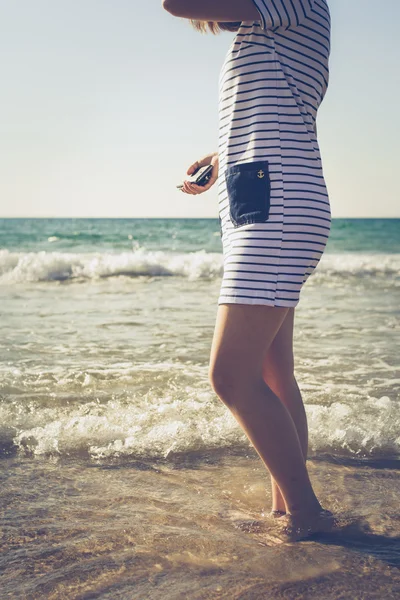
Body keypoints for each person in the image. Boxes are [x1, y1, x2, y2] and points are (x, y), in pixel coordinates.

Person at [162, 0, 335, 541]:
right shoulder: (266, 30)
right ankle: (289, 509)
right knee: (270, 373)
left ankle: (307, 515)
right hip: (264, 201)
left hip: (277, 207)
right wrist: (219, 158)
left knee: (228, 376)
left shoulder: (296, 2)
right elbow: (273, 112)